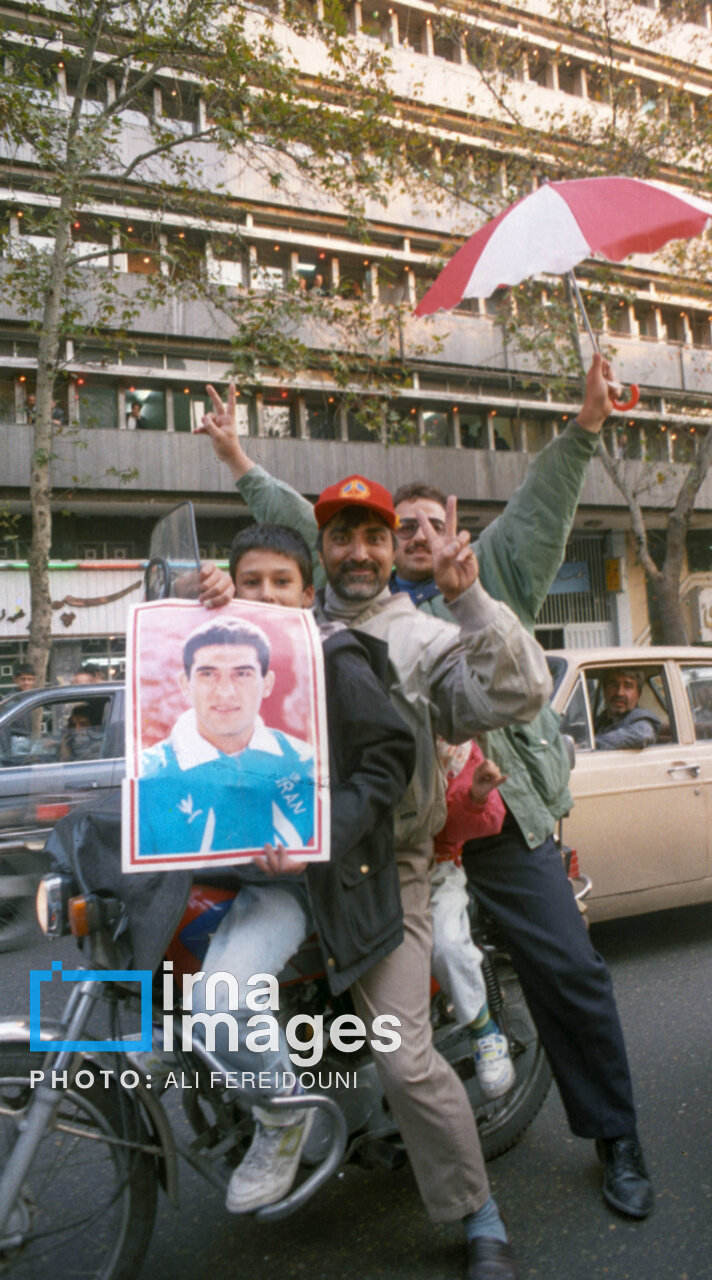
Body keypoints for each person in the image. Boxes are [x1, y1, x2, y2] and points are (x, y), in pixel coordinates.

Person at [196, 354, 655, 1223]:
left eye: (423, 525)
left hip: (497, 818)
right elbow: (292, 535)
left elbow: (542, 501)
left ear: (453, 532)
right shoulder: (325, 615)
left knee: (565, 970)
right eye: (387, 526)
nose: (405, 537)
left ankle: (615, 1136)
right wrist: (238, 469)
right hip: (391, 839)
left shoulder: (487, 577)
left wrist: (585, 425)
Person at [197, 404, 552, 1277]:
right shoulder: (265, 624)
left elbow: (516, 693)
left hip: (383, 869)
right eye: (341, 537)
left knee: (403, 1054)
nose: (357, 550)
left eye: (374, 536)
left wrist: (471, 599)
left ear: (395, 553)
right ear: (319, 557)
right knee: (203, 999)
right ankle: (278, 1114)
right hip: (273, 872)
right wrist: (195, 603)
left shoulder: (427, 640)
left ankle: (477, 1213)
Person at [182, 521, 417, 1216]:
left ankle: (283, 1116)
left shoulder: (332, 654)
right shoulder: (212, 650)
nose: (263, 594)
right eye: (247, 580)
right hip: (234, 876)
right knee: (190, 1011)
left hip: (308, 881)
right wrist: (193, 596)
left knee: (219, 1006)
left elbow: (387, 761)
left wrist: (317, 833)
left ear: (307, 593)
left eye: (280, 582)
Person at [138, 616, 315, 856]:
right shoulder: (146, 774)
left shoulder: (307, 763)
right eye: (208, 674)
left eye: (242, 674)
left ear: (267, 683)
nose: (225, 691)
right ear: (185, 684)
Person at [432, 739, 512, 1098]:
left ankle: (484, 1031)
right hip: (371, 874)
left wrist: (475, 796)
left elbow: (486, 819)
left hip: (436, 870)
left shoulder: (463, 750)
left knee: (447, 944)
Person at [594, 668, 661, 750]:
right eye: (614, 685)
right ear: (605, 690)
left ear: (639, 694)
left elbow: (642, 735)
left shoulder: (642, 720)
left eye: (628, 686)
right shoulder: (601, 720)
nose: (619, 693)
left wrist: (588, 745)